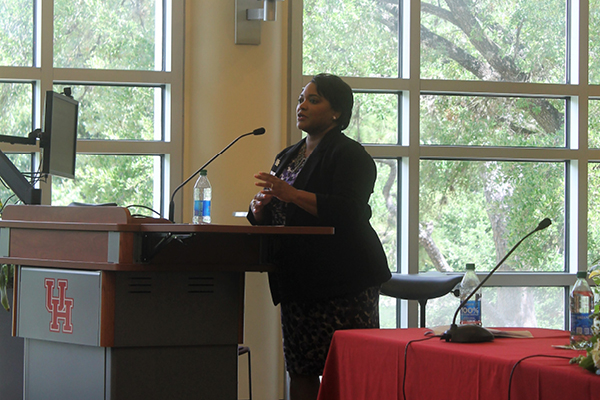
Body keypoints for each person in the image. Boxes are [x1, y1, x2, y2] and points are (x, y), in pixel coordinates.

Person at [247, 73, 391, 400]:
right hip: (298, 282)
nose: (302, 106)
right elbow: (281, 208)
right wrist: (259, 210)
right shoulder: (288, 155)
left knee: (352, 371)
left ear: (337, 111)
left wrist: (291, 194)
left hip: (344, 282)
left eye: (314, 100)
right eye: (301, 99)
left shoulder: (350, 155)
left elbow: (350, 211)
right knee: (301, 370)